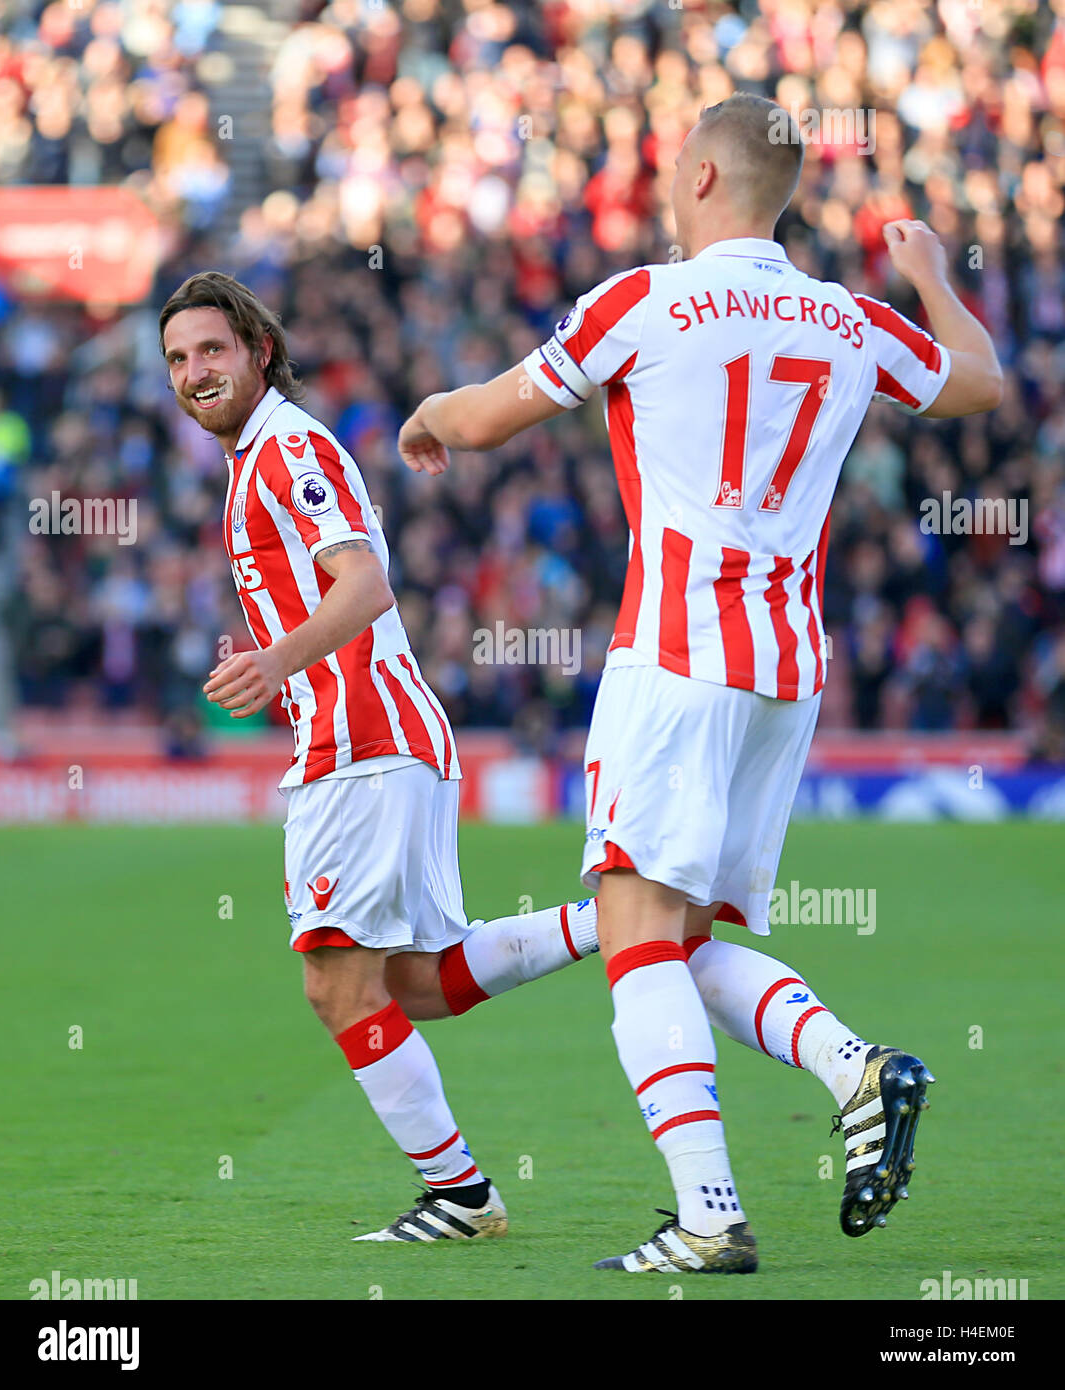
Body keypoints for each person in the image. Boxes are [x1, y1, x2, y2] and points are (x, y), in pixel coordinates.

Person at [397, 93, 1003, 1274]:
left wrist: (429, 415)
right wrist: (928, 269)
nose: (670, 186)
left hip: (675, 659)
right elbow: (979, 380)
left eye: (679, 168)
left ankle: (710, 1214)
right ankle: (855, 1069)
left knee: (635, 935)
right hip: (786, 671)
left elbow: (485, 419)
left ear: (710, 181)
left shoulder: (643, 300)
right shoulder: (849, 318)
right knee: (688, 935)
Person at [159, 271, 601, 1244]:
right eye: (179, 359)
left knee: (334, 983)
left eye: (212, 351)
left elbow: (364, 584)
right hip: (381, 735)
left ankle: (462, 1196)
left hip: (360, 737)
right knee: (411, 983)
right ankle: (608, 918)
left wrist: (276, 659)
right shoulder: (256, 457)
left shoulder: (287, 448)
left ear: (259, 350)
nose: (195, 372)